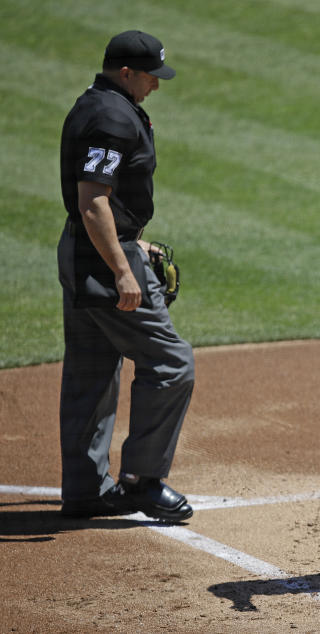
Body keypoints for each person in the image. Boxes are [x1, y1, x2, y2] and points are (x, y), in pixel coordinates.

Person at [57, 30, 194, 522]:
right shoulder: (112, 117)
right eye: (150, 77)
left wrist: (134, 242)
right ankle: (143, 481)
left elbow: (101, 204)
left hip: (86, 251)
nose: (156, 85)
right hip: (102, 260)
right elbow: (92, 200)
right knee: (171, 363)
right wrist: (123, 268)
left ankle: (86, 489)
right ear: (126, 72)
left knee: (91, 374)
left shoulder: (97, 103)